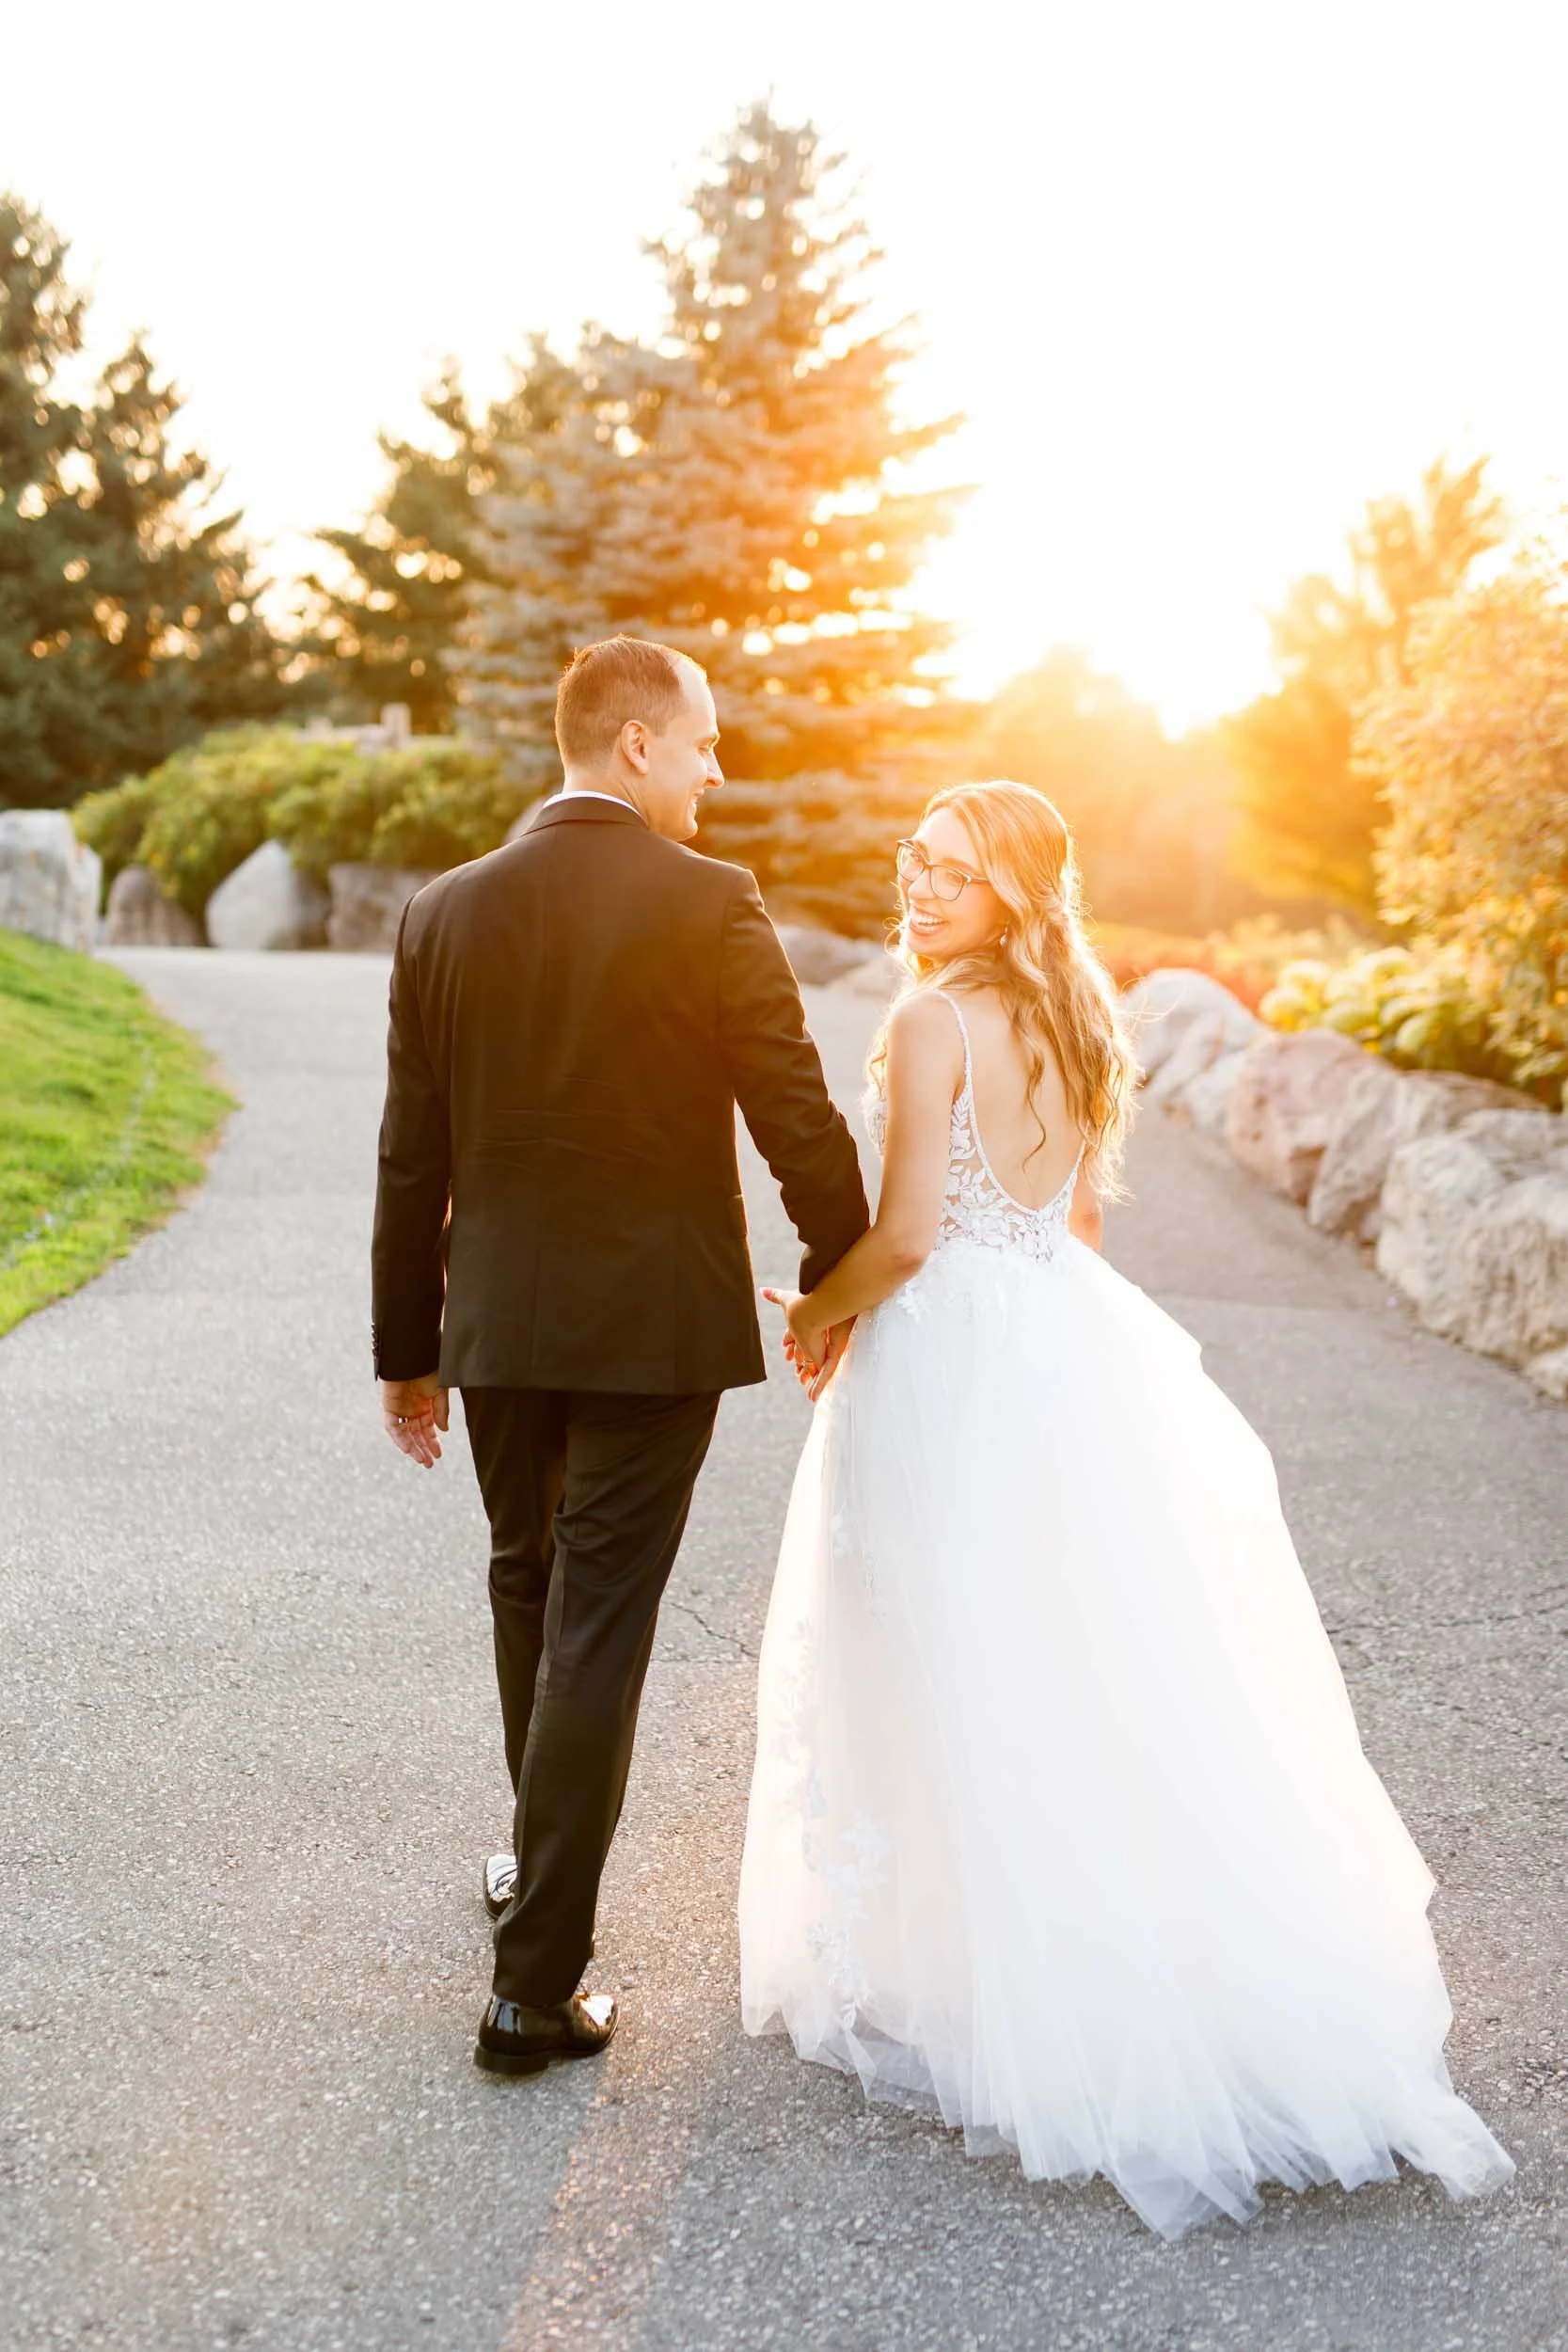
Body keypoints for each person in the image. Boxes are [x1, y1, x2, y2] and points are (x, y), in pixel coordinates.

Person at [741, 778, 1516, 2241]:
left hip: (950, 1353)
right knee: (1064, 1649)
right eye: (914, 863)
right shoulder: (1079, 1013)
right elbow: (1075, 1222)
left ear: (1017, 897)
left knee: (937, 1641)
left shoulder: (925, 1022)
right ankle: (1040, 1939)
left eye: (954, 878)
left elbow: (905, 1234)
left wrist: (815, 1315)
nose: (920, 891)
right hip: (1061, 1334)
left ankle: (968, 1962)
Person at [372, 635, 868, 2077]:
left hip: (501, 1329)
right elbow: (794, 1110)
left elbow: (413, 1161)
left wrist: (408, 1349)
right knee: (594, 1617)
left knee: (530, 1581)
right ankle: (535, 1988)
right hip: (653, 1330)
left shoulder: (444, 910)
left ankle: (537, 1881)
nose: (719, 769)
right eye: (704, 741)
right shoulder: (711, 902)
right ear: (636, 744)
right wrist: (837, 1278)